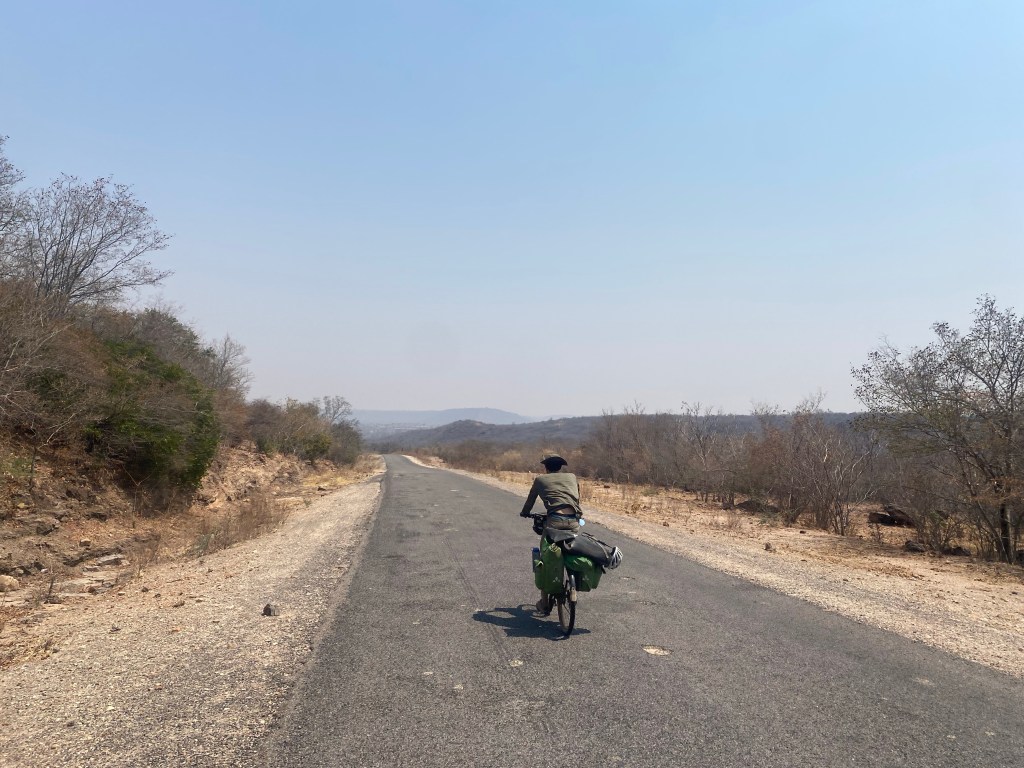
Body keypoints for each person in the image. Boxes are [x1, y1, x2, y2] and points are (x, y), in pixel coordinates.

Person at [520, 454, 581, 613]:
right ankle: (573, 581)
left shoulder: (540, 480)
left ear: (546, 468)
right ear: (561, 467)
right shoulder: (572, 477)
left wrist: (525, 512)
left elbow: (530, 499)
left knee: (545, 557)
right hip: (574, 521)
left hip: (554, 522)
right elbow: (576, 497)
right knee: (572, 548)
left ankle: (545, 603)